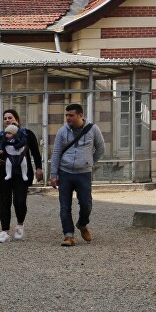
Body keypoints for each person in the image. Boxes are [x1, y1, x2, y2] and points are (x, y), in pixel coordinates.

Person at [0, 109, 42, 243]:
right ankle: (5, 231)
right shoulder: (0, 136)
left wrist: (39, 168)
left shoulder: (27, 134)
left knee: (19, 201)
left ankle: (20, 224)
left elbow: (36, 153)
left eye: (10, 117)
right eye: (5, 118)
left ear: (17, 120)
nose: (7, 120)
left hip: (22, 174)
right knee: (5, 202)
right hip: (3, 175)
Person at [49, 103, 105, 246]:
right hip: (65, 172)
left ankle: (82, 224)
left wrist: (89, 162)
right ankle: (69, 236)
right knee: (64, 206)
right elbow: (56, 153)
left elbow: (100, 148)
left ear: (80, 115)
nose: (68, 118)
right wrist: (53, 174)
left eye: (71, 115)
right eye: (66, 115)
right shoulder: (62, 131)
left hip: (83, 173)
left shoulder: (93, 129)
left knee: (86, 204)